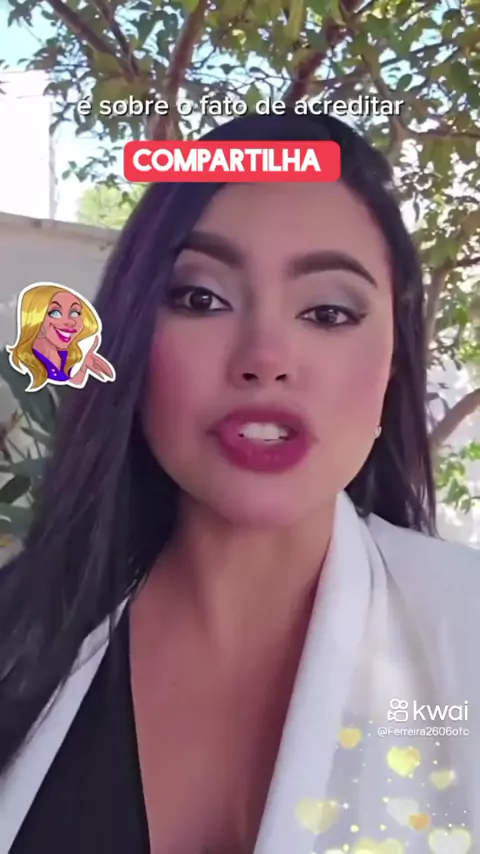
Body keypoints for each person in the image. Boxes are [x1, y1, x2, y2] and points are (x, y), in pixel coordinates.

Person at [0, 111, 478, 854]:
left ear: (393, 363)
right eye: (201, 299)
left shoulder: (464, 627)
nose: (265, 358)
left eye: (328, 311)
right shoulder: (16, 631)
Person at [7, 282, 115, 390]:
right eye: (55, 313)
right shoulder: (23, 364)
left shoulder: (70, 355)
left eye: (75, 313)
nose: (70, 322)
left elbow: (75, 384)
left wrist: (84, 362)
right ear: (35, 318)